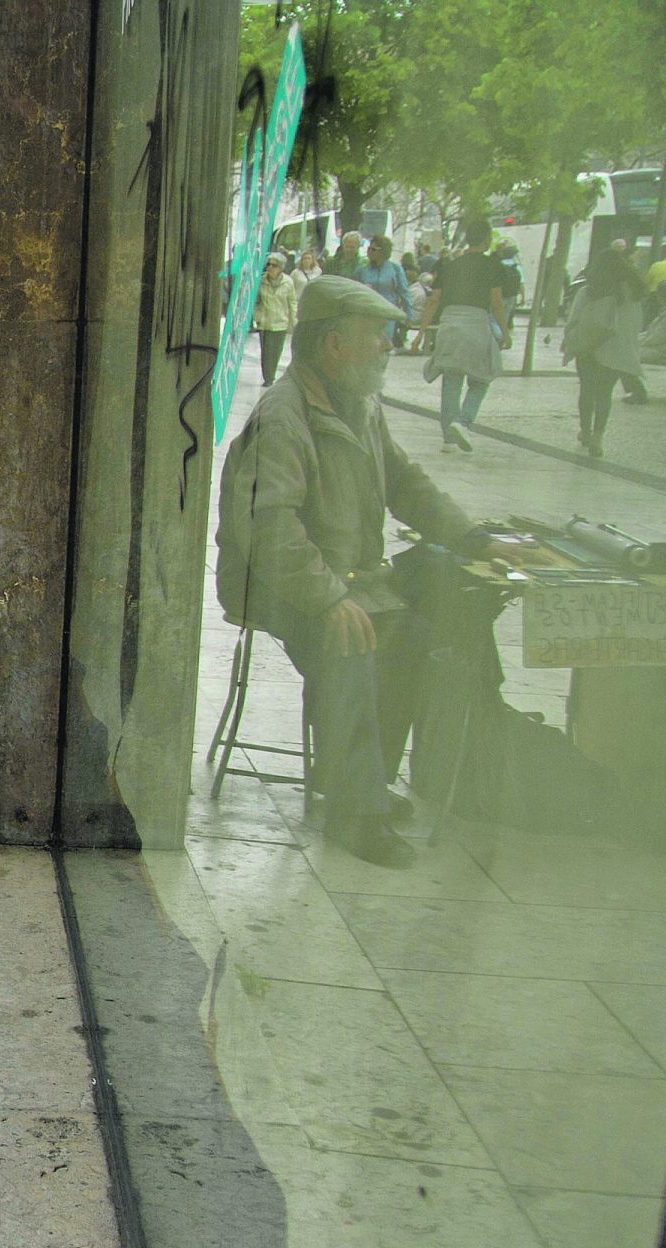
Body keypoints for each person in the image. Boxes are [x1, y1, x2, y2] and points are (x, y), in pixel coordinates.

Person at [218, 276, 497, 867]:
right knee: (354, 639)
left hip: (341, 579)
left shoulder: (361, 404)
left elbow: (406, 482)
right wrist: (327, 598)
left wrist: (470, 535)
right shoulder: (286, 413)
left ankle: (355, 782)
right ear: (334, 342)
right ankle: (355, 812)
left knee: (415, 638)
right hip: (275, 582)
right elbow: (267, 525)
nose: (389, 347)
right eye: (378, 336)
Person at [418, 214, 507, 453]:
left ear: (468, 239)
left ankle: (448, 436)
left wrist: (420, 333)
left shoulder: (449, 265)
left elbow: (433, 300)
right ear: (486, 239)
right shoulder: (492, 265)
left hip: (449, 324)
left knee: (452, 378)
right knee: (482, 378)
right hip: (476, 323)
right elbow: (496, 302)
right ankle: (463, 422)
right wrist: (505, 332)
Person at [561, 246, 644, 459]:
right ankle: (598, 436)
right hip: (616, 351)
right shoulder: (634, 294)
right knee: (604, 394)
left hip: (589, 347)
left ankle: (586, 432)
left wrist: (569, 340)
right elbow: (636, 325)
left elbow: (574, 319)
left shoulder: (590, 290)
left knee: (587, 390)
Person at [355, 234, 413, 349]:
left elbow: (404, 292)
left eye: (373, 249)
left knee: (383, 346)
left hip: (387, 314)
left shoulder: (395, 269)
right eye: (368, 249)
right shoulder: (362, 269)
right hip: (367, 313)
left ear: (383, 252)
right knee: (367, 347)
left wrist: (409, 315)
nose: (369, 252)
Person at [254, 253, 297, 386]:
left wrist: (294, 322)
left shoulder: (288, 282)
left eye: (274, 265)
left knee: (275, 352)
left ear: (281, 268)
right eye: (268, 264)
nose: (270, 268)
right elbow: (255, 302)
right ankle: (268, 378)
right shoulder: (261, 281)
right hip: (264, 322)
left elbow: (292, 302)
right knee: (266, 352)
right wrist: (257, 316)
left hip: (280, 322)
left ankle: (270, 376)